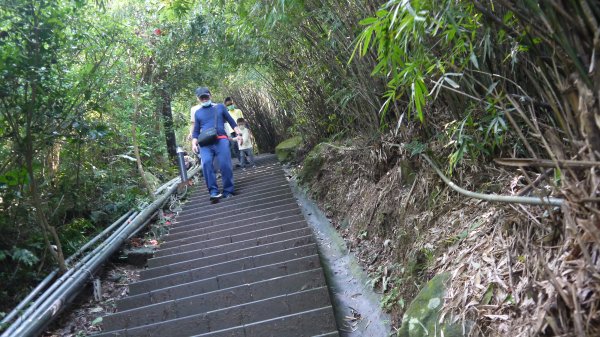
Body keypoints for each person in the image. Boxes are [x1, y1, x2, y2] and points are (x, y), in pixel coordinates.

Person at [191, 87, 242, 201]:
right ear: (198, 99)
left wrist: (239, 134)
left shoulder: (220, 107)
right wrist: (194, 144)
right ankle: (213, 192)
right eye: (202, 98)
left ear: (210, 95)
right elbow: (195, 131)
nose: (204, 99)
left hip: (221, 139)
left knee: (225, 164)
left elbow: (231, 121)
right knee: (207, 164)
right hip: (205, 143)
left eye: (206, 97)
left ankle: (228, 190)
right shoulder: (198, 113)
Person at [224, 97, 244, 166]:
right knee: (235, 147)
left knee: (242, 145)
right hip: (231, 132)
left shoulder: (238, 111)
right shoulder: (226, 113)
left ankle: (244, 160)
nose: (230, 106)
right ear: (226, 106)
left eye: (231, 104)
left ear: (233, 103)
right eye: (228, 105)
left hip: (239, 130)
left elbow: (242, 120)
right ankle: (241, 161)